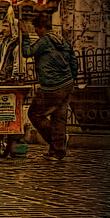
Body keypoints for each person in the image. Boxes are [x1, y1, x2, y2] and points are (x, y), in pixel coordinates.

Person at [22, 12, 78, 161]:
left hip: (51, 87)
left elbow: (27, 52)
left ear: (41, 28)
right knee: (58, 117)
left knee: (34, 114)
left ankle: (57, 141)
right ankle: (57, 151)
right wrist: (71, 78)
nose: (35, 31)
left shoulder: (45, 40)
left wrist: (25, 35)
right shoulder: (61, 40)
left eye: (36, 28)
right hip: (67, 84)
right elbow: (73, 60)